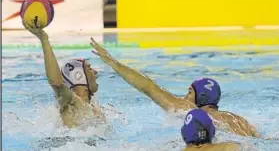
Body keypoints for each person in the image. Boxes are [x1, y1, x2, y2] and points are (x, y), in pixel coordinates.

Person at [89, 38, 260, 137]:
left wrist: (113, 62)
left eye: (190, 92)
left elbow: (149, 88)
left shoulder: (191, 111)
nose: (184, 97)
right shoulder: (239, 120)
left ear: (201, 98)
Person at [22, 21, 106, 128]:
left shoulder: (95, 108)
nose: (96, 72)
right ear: (79, 75)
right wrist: (44, 39)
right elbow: (56, 83)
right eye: (89, 68)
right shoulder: (70, 103)